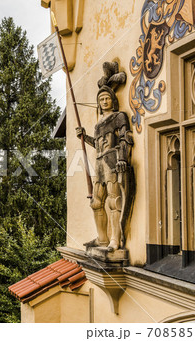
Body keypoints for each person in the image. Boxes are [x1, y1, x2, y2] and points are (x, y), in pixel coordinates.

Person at [76, 80, 134, 252]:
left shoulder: (119, 117)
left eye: (107, 98)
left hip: (112, 160)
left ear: (113, 100)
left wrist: (122, 157)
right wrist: (84, 137)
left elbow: (125, 137)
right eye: (101, 99)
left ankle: (115, 240)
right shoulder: (98, 124)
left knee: (113, 201)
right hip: (100, 163)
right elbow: (98, 144)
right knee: (96, 202)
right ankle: (102, 239)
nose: (104, 101)